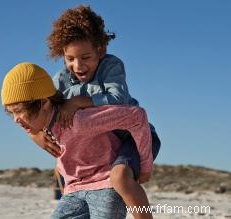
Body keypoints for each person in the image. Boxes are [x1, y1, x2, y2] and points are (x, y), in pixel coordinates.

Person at [29, 5, 161, 219]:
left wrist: (79, 101)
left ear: (101, 49)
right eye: (70, 58)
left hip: (134, 137)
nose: (78, 65)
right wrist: (35, 134)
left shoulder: (110, 67)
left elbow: (119, 100)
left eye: (86, 57)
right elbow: (44, 109)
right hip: (102, 146)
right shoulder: (61, 79)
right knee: (65, 172)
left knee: (120, 177)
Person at [1, 62, 153, 219]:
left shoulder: (78, 120)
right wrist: (34, 136)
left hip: (105, 184)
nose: (15, 120)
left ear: (44, 103)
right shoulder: (42, 128)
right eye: (11, 113)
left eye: (19, 112)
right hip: (74, 190)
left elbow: (137, 116)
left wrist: (145, 166)